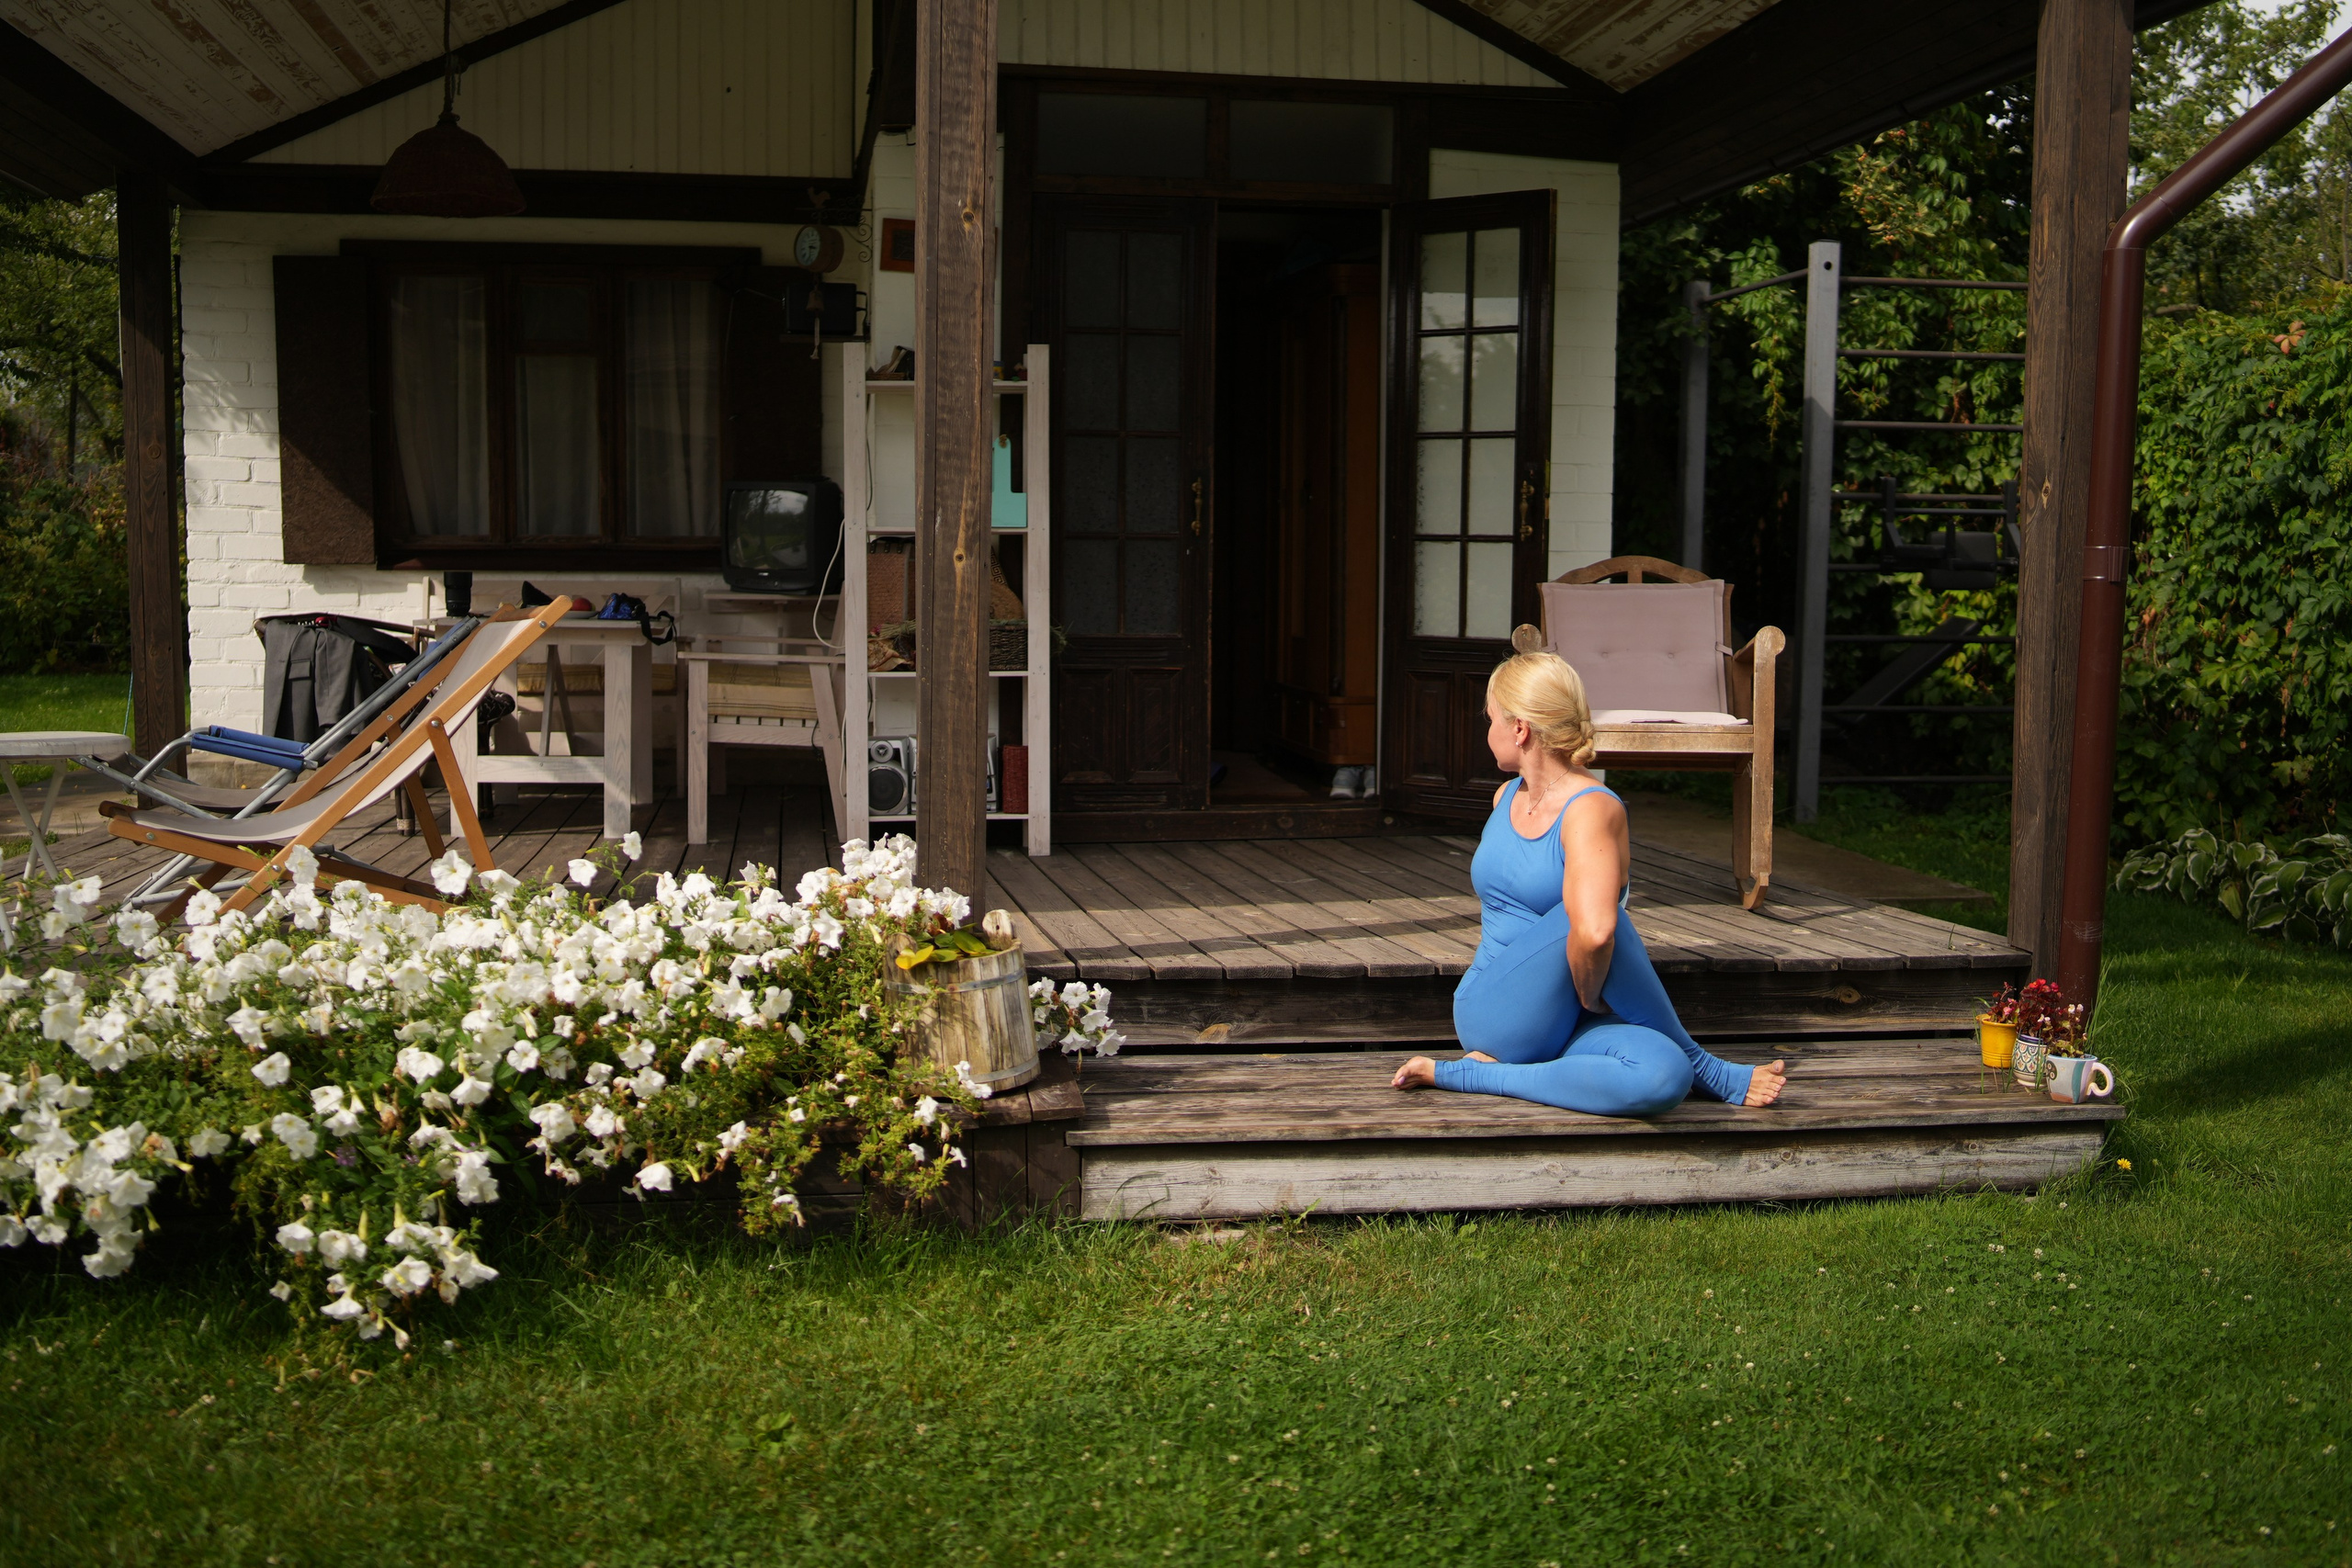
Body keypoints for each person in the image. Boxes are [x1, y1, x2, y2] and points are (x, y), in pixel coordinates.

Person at [1391, 646, 1787, 1115]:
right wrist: (1587, 988)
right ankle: (1705, 1066)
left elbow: (1594, 933)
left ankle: (1477, 1074)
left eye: (1491, 718)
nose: (1488, 730)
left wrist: (1580, 991)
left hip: (1567, 1021)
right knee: (1597, 916)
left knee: (1663, 1075)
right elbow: (1596, 931)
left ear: (1520, 729)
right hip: (1498, 1012)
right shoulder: (1505, 797)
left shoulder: (1590, 808)